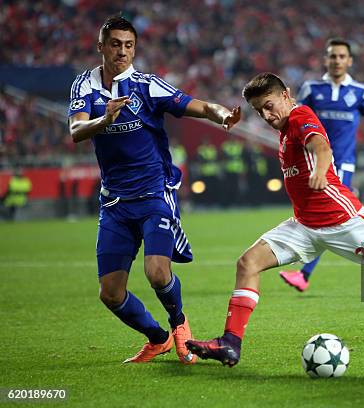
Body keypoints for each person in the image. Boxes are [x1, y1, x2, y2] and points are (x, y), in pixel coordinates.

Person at [185, 73, 364, 367]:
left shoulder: (300, 116)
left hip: (345, 222)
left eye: (270, 105)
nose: (266, 115)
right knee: (248, 263)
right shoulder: (284, 129)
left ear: (287, 95)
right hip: (304, 226)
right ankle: (230, 343)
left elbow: (320, 147)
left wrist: (321, 171)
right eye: (259, 110)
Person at [68, 16, 240, 364]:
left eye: (129, 45)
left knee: (157, 272)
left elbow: (201, 106)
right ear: (101, 46)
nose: (122, 52)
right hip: (115, 202)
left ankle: (179, 325)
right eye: (115, 44)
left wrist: (221, 116)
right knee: (110, 294)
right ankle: (157, 337)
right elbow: (76, 130)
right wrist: (105, 120)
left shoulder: (147, 86)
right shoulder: (84, 87)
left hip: (154, 193)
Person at [279, 38, 364, 292]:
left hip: (342, 161)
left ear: (349, 60)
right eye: (332, 56)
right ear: (326, 60)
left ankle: (304, 275)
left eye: (342, 56)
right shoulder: (312, 88)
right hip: (315, 162)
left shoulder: (359, 90)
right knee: (329, 215)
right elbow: (296, 118)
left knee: (328, 216)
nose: (337, 61)